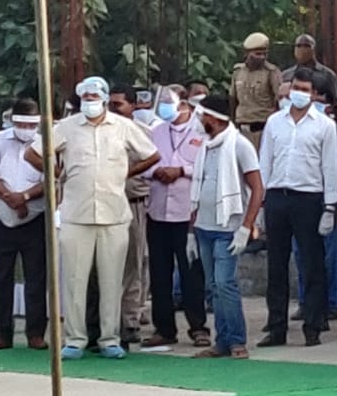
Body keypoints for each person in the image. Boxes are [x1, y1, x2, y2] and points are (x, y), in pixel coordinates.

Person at [27, 77, 159, 360]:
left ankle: (110, 338)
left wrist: (126, 173)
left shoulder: (123, 126)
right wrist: (55, 172)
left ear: (105, 98)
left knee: (113, 281)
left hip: (114, 213)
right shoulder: (66, 127)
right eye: (85, 98)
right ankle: (75, 339)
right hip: (76, 213)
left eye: (94, 97)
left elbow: (152, 155)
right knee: (75, 280)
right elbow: (33, 153)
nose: (90, 102)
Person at [257, 69, 337, 348]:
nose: (300, 93)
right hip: (277, 196)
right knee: (276, 265)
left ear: (315, 94)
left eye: (306, 89)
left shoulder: (324, 126)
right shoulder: (274, 122)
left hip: (309, 198)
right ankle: (276, 327)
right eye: (296, 87)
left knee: (313, 263)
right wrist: (260, 204)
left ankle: (313, 325)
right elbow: (264, 161)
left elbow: (330, 167)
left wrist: (330, 206)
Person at [190, 95, 266, 359]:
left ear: (213, 118)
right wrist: (192, 230)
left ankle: (236, 339)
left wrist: (246, 226)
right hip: (204, 227)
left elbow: (257, 188)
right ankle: (221, 340)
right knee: (212, 285)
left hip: (228, 227)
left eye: (202, 116)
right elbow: (198, 189)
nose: (199, 121)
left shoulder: (240, 145)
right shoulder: (205, 146)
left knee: (225, 283)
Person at [0, 98, 48, 351]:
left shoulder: (46, 142)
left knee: (37, 279)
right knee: (0, 278)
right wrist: (10, 198)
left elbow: (51, 178)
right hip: (1, 219)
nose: (25, 128)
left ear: (38, 122)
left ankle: (36, 334)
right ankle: (2, 333)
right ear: (12, 120)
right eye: (20, 123)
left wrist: (25, 197)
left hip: (34, 220)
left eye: (31, 124)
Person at [143, 85, 210, 349]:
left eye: (169, 103)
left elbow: (206, 165)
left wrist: (181, 170)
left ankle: (198, 326)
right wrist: (157, 172)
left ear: (183, 103)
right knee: (160, 272)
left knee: (191, 272)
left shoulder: (201, 130)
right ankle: (164, 328)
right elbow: (144, 161)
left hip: (187, 212)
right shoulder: (155, 132)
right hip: (158, 209)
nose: (165, 109)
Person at [291, 74, 337, 324]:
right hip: (299, 199)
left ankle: (331, 303)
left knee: (330, 255)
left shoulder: (334, 132)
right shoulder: (283, 125)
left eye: (313, 93)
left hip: (328, 200)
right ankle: (306, 302)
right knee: (301, 254)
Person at [108, 83, 152, 345]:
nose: (112, 109)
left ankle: (131, 320)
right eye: (109, 104)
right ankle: (107, 321)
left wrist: (123, 173)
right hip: (104, 204)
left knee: (133, 264)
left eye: (118, 104)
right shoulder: (102, 131)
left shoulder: (144, 133)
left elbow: (155, 161)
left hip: (132, 200)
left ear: (133, 106)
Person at [229, 32, 282, 149]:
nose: (262, 57)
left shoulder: (271, 72)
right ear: (248, 53)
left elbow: (279, 99)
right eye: (258, 54)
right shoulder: (238, 72)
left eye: (265, 54)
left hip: (262, 128)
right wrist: (232, 123)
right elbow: (233, 99)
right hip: (242, 128)